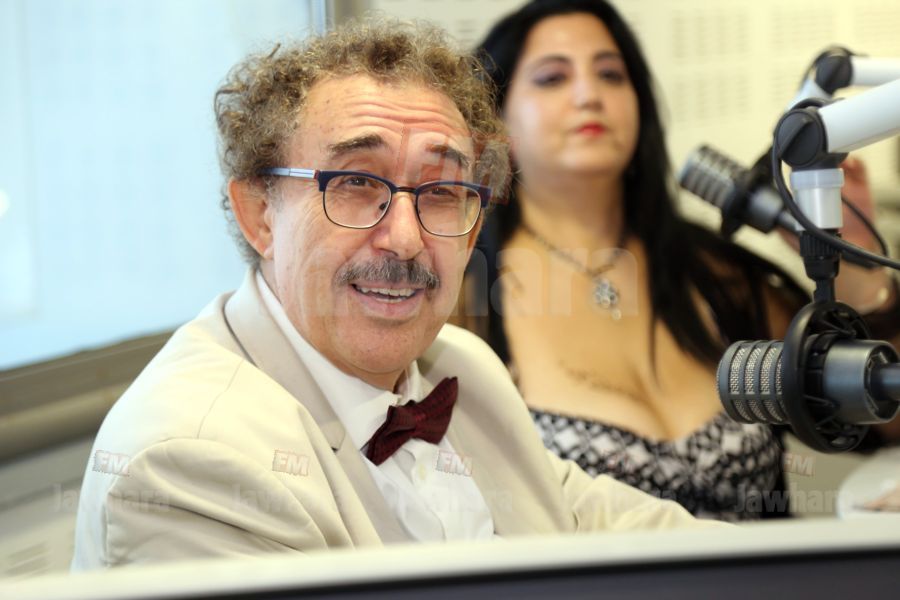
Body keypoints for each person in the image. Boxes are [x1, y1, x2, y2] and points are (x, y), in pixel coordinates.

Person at [70, 17, 723, 570]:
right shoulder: (188, 459)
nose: (406, 239)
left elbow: (601, 526)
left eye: (441, 192)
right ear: (260, 214)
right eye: (356, 183)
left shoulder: (462, 366)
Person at [455, 0, 900, 521]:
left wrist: (856, 262)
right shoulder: (465, 297)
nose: (588, 94)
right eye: (553, 77)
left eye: (611, 74)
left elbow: (883, 422)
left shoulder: (714, 275)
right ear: (495, 118)